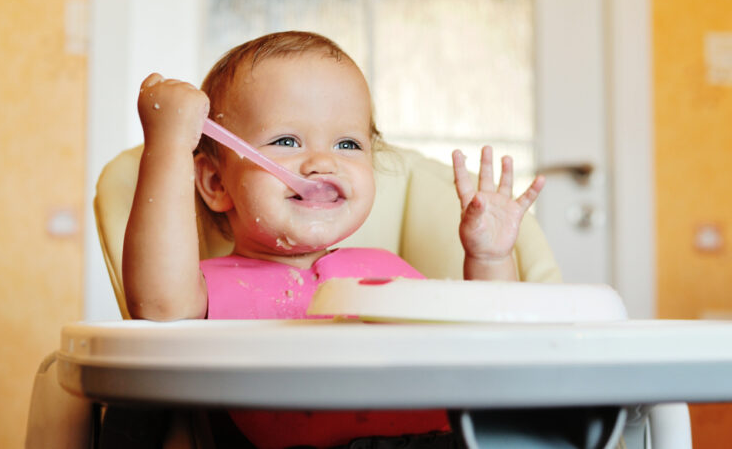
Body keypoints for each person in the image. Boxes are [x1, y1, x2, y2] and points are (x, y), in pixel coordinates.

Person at [122, 31, 545, 449]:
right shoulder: (205, 288)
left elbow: (491, 351)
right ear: (216, 183)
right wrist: (169, 143)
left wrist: (490, 256)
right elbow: (158, 305)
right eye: (286, 141)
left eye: (347, 143)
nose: (323, 162)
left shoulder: (386, 273)